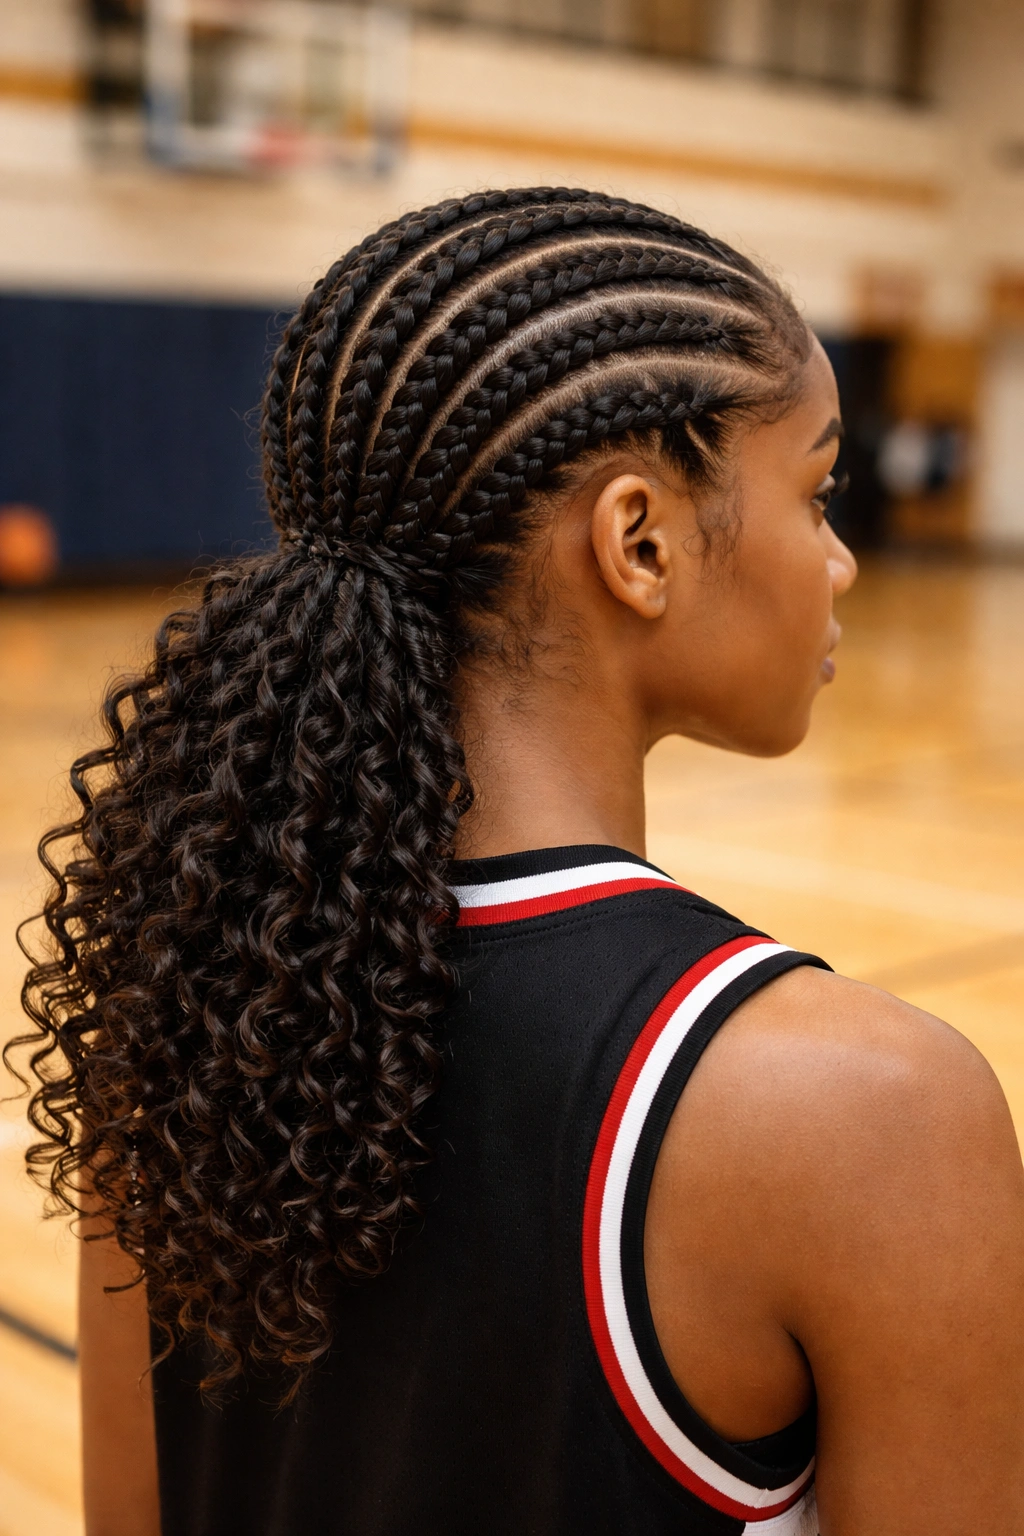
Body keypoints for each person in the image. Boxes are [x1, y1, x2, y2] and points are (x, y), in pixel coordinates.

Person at [12, 189, 1024, 1536]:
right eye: (816, 489)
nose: (840, 560)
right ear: (640, 541)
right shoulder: (864, 1116)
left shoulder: (189, 1018)